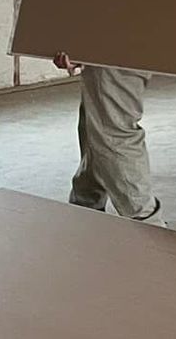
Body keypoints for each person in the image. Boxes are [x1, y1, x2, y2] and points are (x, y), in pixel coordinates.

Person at [53, 54, 161, 222]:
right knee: (96, 126)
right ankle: (85, 213)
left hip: (119, 48)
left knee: (113, 133)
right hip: (117, 45)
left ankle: (149, 229)